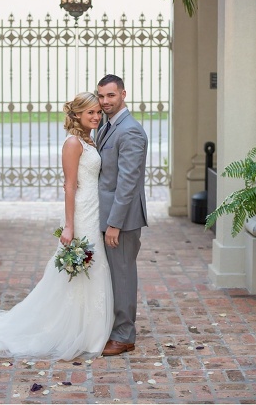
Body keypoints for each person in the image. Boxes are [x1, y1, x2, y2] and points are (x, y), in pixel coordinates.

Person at [0, 92, 114, 360]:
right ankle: (72, 330)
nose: (95, 116)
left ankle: (90, 330)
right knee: (81, 268)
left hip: (94, 209)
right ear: (77, 115)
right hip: (81, 213)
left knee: (93, 267)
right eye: (89, 112)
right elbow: (69, 186)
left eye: (97, 112)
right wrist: (69, 226)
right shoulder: (73, 143)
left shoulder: (90, 139)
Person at [96, 74, 148, 357]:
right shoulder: (107, 125)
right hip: (105, 215)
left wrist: (114, 223)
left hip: (122, 220)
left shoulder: (130, 131)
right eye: (101, 96)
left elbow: (128, 182)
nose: (104, 101)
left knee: (124, 275)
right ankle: (114, 327)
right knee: (114, 275)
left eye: (110, 96)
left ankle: (125, 336)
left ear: (123, 94)